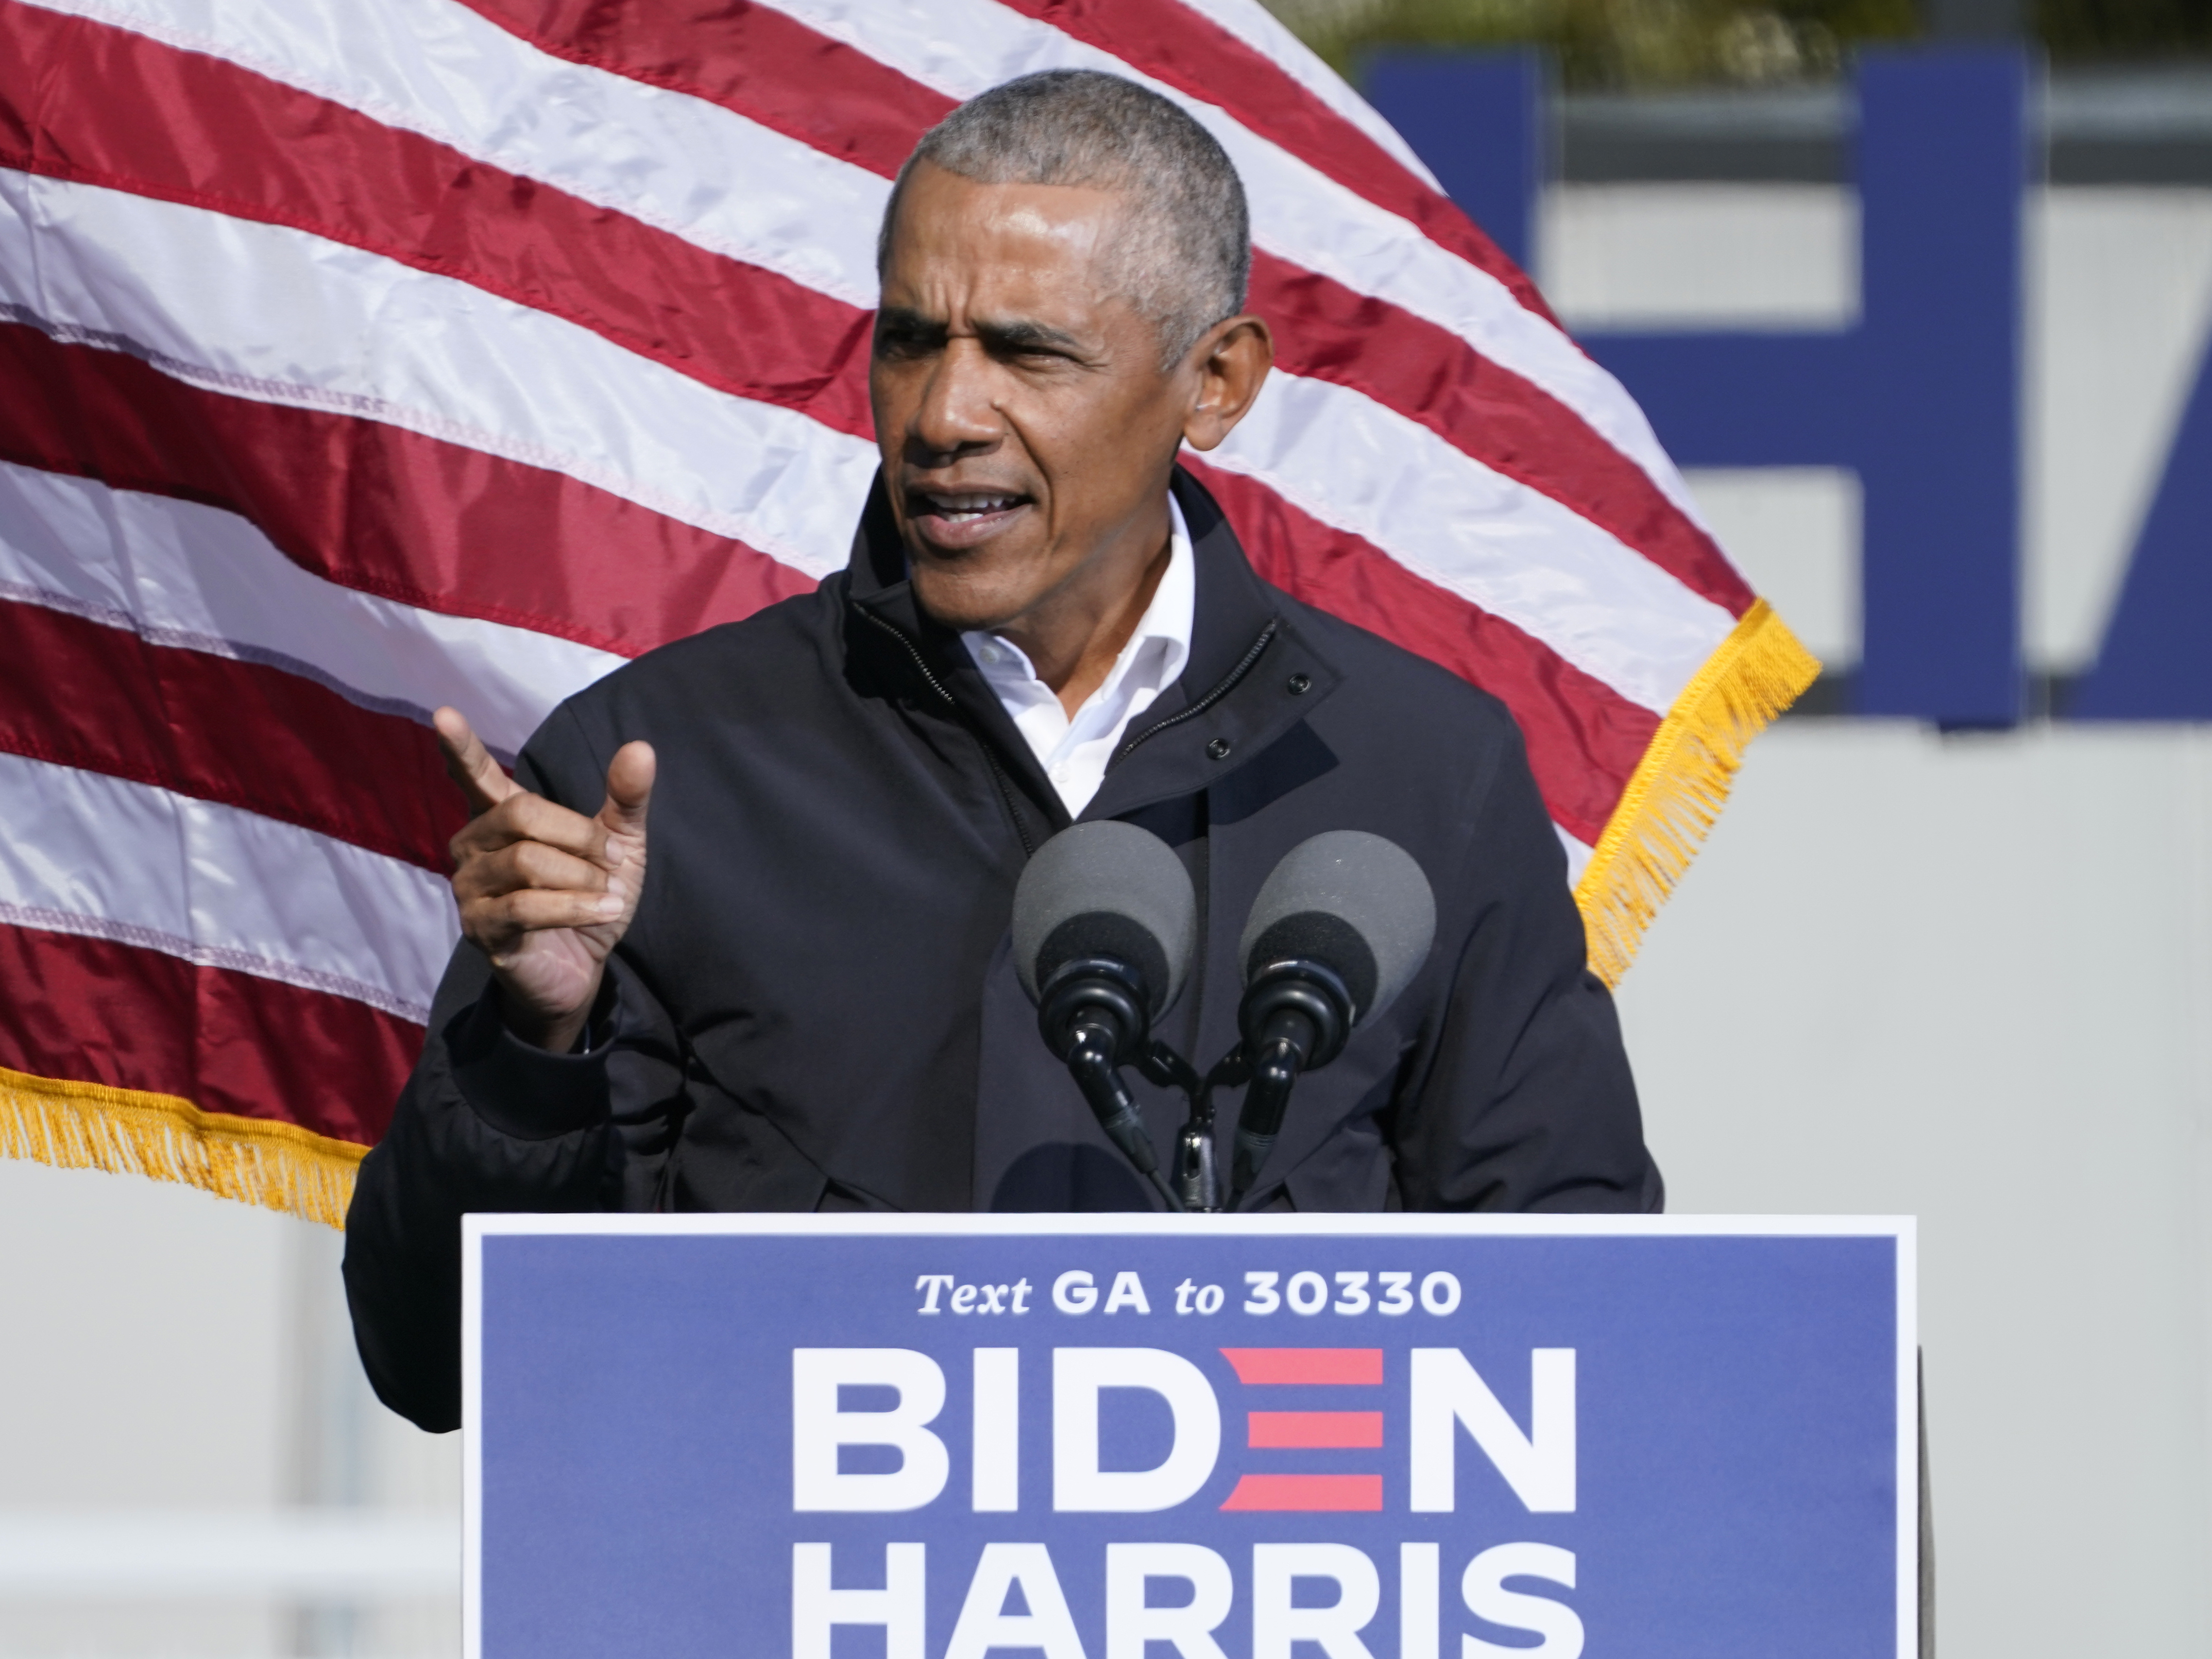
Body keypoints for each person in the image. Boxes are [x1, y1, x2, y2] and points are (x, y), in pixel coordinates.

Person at [343, 69, 1661, 1433]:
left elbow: (1574, 1313)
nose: (941, 414)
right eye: (911, 340)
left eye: (1028, 353)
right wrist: (529, 1045)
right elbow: (439, 1366)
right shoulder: (654, 770)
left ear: (1212, 382)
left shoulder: (1422, 773)